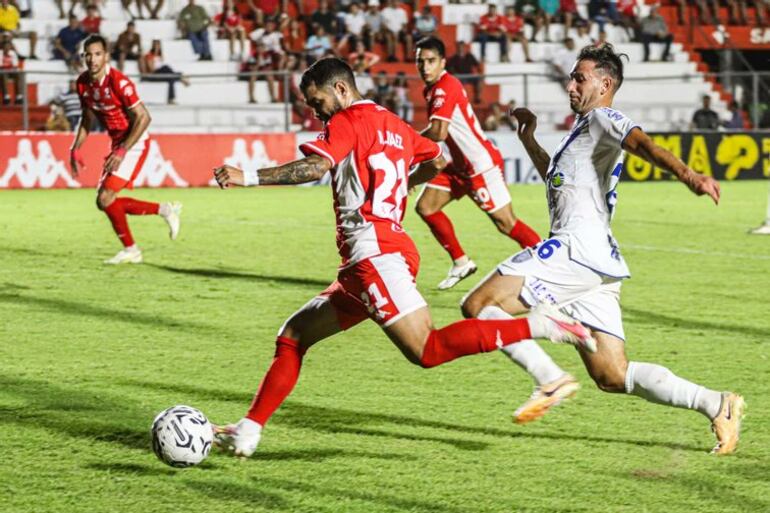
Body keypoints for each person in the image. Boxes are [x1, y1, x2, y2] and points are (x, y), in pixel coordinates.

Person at [210, 57, 597, 457]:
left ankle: (540, 324)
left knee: (426, 350)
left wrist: (249, 176)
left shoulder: (345, 122)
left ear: (341, 90)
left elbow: (315, 166)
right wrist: (396, 190)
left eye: (316, 101)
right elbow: (438, 160)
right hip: (373, 258)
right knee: (292, 337)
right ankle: (249, 429)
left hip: (375, 255)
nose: (315, 111)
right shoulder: (393, 124)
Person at [460, 43, 744, 454]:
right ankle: (715, 403)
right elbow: (556, 179)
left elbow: (643, 144)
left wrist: (688, 174)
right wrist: (529, 139)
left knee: (479, 305)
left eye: (580, 78)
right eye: (572, 78)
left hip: (574, 249)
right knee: (613, 374)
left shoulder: (604, 117)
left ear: (605, 83)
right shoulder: (584, 131)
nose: (571, 85)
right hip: (597, 263)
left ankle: (548, 378)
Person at [415, 37, 542, 290]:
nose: (425, 67)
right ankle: (461, 263)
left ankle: (549, 262)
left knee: (506, 224)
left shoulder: (445, 86)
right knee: (426, 206)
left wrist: (407, 141)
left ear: (442, 62)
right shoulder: (432, 89)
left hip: (479, 166)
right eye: (420, 62)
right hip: (459, 166)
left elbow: (439, 132)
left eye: (430, 61)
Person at [69, 34, 182, 264]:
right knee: (104, 201)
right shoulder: (82, 83)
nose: (92, 59)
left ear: (106, 56)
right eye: (88, 55)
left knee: (106, 197)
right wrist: (76, 148)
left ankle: (133, 250)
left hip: (134, 142)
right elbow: (87, 118)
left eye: (97, 54)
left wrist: (122, 151)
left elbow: (144, 117)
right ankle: (164, 211)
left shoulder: (119, 83)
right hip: (118, 144)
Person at [141, 39, 190, 104]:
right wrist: (154, 59)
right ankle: (180, 77)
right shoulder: (149, 55)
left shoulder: (160, 56)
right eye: (155, 45)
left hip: (162, 73)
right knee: (166, 67)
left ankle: (171, 99)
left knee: (171, 78)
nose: (157, 47)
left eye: (158, 45)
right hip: (154, 74)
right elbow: (151, 69)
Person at [0, 36, 21, 104]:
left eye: (8, 46)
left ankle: (19, 97)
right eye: (5, 46)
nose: (7, 48)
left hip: (10, 71)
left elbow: (15, 65)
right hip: (2, 72)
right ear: (3, 47)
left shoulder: (13, 53)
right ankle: (6, 97)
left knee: (18, 75)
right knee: (4, 75)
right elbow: (1, 66)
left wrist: (10, 68)